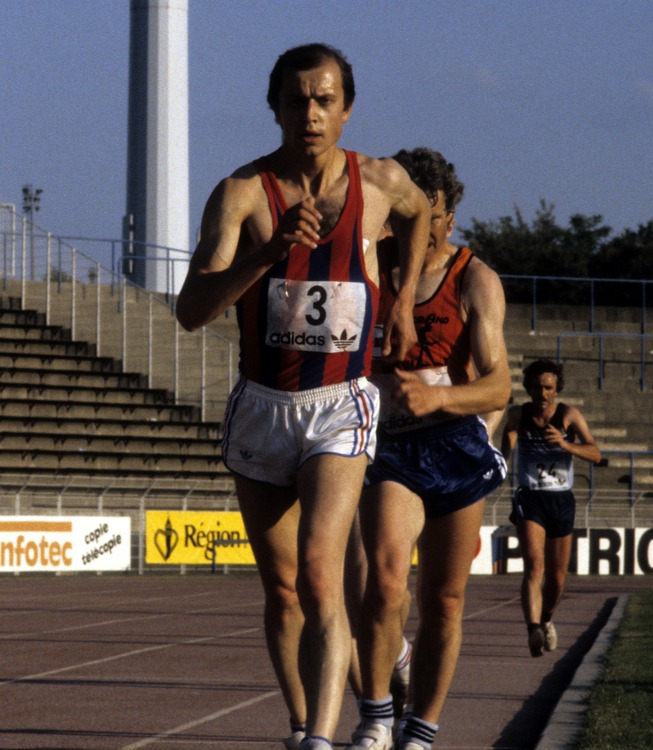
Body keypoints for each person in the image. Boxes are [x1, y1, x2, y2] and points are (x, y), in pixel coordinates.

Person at [175, 44, 431, 750]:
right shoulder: (240, 194)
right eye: (295, 100)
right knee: (282, 590)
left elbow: (418, 215)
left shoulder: (379, 182)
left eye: (324, 100)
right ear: (275, 108)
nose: (310, 114)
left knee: (321, 574)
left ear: (346, 109)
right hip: (263, 406)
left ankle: (327, 737)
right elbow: (191, 310)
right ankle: (300, 724)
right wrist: (268, 252)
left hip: (339, 404)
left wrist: (403, 298)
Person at [348, 148, 511, 750]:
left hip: (454, 446)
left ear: (446, 210)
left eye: (428, 209)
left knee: (444, 598)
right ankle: (376, 716)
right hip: (391, 446)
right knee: (385, 584)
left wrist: (439, 399)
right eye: (401, 207)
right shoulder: (370, 265)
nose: (414, 220)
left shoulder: (475, 280)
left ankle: (422, 730)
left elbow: (499, 384)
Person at [501, 359, 601, 657]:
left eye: (548, 388)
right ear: (528, 388)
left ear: (557, 390)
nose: (542, 393)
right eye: (536, 387)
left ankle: (545, 620)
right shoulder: (519, 414)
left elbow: (596, 453)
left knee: (557, 578)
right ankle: (532, 629)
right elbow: (508, 433)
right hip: (530, 497)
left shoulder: (569, 416)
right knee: (534, 567)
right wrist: (503, 456)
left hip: (560, 499)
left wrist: (566, 445)